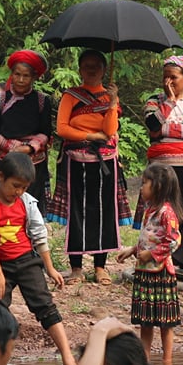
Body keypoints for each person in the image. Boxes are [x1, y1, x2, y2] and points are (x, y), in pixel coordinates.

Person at [0, 152, 79, 365]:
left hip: (26, 261)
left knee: (45, 306)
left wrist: (50, 267)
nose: (18, 192)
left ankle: (68, 358)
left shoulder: (26, 202)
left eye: (23, 188)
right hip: (0, 264)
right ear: (0, 176)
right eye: (15, 186)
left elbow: (38, 234)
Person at [48, 49, 131, 285]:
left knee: (103, 212)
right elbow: (63, 128)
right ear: (80, 69)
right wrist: (90, 135)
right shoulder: (71, 95)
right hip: (76, 159)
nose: (91, 69)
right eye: (86, 65)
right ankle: (76, 268)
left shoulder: (108, 97)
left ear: (104, 69)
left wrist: (112, 103)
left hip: (105, 161)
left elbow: (110, 130)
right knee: (77, 212)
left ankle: (100, 266)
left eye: (96, 65)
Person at [138, 55, 183, 271]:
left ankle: (178, 262)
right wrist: (168, 103)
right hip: (159, 164)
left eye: (174, 77)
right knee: (157, 209)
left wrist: (164, 130)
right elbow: (151, 125)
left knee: (180, 212)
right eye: (165, 77)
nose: (169, 82)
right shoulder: (154, 101)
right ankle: (152, 254)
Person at [117, 162, 181, 365]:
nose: (141, 187)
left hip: (160, 273)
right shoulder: (150, 210)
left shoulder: (167, 213)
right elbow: (149, 238)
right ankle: (145, 361)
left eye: (145, 183)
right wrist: (133, 251)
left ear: (158, 187)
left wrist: (151, 255)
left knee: (165, 322)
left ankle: (168, 362)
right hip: (145, 272)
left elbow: (173, 241)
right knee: (146, 321)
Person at [0, 49, 54, 202]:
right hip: (5, 157)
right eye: (17, 74)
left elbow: (46, 132)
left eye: (26, 76)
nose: (21, 80)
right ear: (12, 74)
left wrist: (29, 148)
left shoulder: (42, 101)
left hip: (34, 160)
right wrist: (12, 148)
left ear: (34, 77)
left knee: (31, 203)